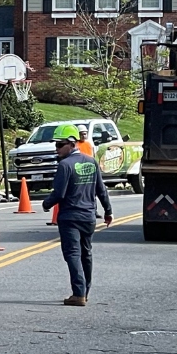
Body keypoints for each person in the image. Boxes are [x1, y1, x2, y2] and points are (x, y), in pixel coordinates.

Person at [42, 124, 113, 307]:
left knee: (73, 253)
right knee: (86, 253)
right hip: (88, 216)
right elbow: (101, 189)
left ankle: (78, 293)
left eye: (60, 145)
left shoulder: (65, 165)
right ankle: (85, 291)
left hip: (70, 217)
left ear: (72, 143)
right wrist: (108, 211)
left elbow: (59, 193)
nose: (56, 149)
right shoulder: (90, 162)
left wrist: (46, 204)